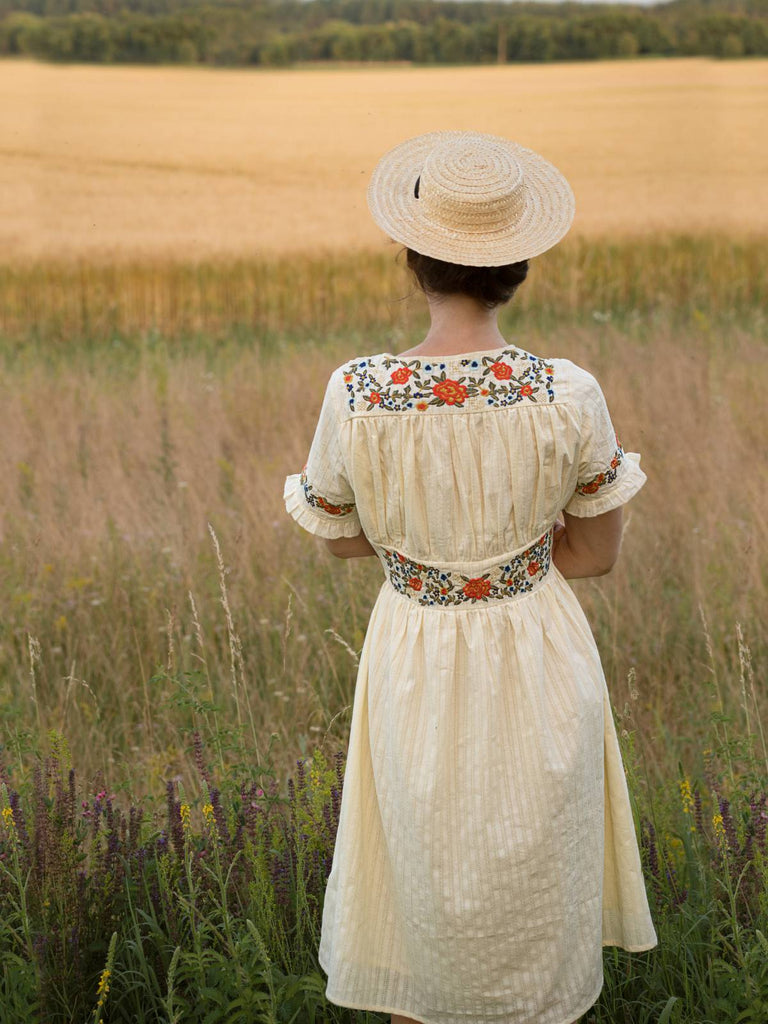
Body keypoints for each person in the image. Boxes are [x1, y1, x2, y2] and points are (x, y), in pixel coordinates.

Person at [283, 131, 658, 1024]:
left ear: (412, 260)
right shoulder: (568, 393)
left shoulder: (359, 390)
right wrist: (511, 563)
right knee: (534, 885)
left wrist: (427, 555)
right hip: (537, 649)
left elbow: (337, 536)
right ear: (519, 266)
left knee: (423, 886)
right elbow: (596, 554)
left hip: (415, 646)